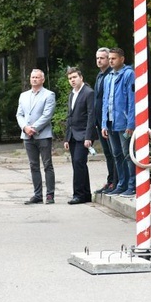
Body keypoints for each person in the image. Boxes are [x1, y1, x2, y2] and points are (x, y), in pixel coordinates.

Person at [16, 69, 57, 204]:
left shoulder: (49, 95)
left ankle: (50, 194)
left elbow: (47, 115)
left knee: (47, 165)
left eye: (37, 77)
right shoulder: (23, 95)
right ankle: (37, 195)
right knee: (33, 165)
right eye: (32, 77)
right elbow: (19, 114)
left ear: (42, 80)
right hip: (27, 135)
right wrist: (25, 127)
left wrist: (34, 128)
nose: (34, 79)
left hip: (43, 135)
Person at [101, 47, 136, 197]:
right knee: (117, 155)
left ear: (122, 59)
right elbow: (105, 101)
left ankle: (132, 185)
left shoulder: (128, 74)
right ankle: (121, 184)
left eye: (113, 58)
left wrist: (131, 123)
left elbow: (132, 100)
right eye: (109, 59)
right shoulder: (108, 77)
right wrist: (103, 123)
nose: (111, 61)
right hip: (110, 121)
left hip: (123, 121)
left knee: (128, 154)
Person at [63, 67, 97, 204]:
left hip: (84, 134)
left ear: (81, 78)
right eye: (70, 78)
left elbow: (91, 116)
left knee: (78, 162)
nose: (72, 80)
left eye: (75, 77)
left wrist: (88, 137)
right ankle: (86, 194)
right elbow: (69, 117)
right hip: (72, 134)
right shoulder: (72, 94)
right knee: (78, 164)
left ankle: (78, 194)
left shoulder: (88, 93)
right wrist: (66, 137)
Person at [92, 48, 117, 194]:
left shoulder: (111, 75)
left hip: (109, 120)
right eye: (97, 58)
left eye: (102, 58)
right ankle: (110, 180)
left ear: (109, 59)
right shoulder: (100, 76)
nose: (99, 60)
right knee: (107, 153)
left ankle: (115, 181)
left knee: (114, 152)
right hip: (100, 121)